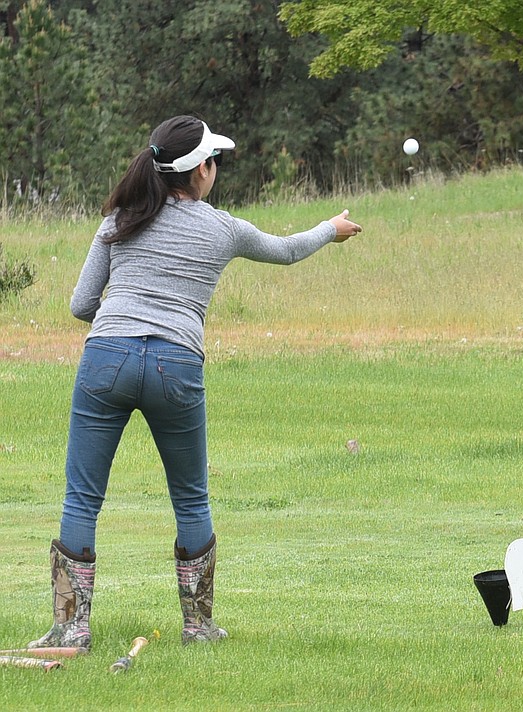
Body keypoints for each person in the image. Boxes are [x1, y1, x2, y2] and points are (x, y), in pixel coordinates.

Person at [29, 115, 364, 650]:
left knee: (81, 499)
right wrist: (332, 228)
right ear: (200, 171)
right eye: (215, 160)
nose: (216, 169)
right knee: (190, 498)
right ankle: (199, 627)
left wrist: (124, 319)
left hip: (105, 359)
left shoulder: (120, 215)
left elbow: (80, 304)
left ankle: (71, 629)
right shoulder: (222, 228)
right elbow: (287, 249)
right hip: (176, 366)